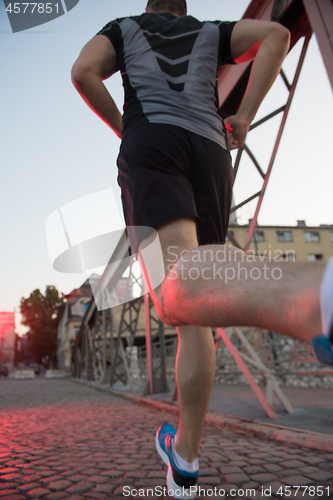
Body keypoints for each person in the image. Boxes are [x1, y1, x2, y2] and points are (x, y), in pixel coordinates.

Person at [71, 0, 333, 497]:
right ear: (182, 7)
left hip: (153, 141)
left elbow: (84, 71)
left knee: (175, 291)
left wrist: (124, 128)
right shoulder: (211, 31)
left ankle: (317, 297)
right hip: (212, 152)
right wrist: (245, 117)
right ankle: (184, 461)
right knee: (199, 301)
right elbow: (277, 35)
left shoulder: (124, 27)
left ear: (149, 5)